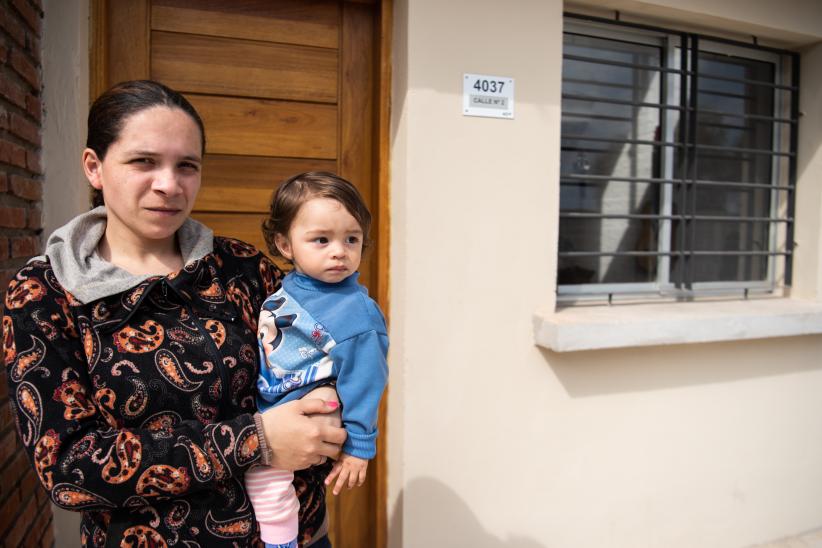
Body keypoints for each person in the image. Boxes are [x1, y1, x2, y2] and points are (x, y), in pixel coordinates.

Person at [1, 80, 346, 547]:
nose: (168, 184)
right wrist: (255, 439)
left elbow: (319, 358)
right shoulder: (45, 294)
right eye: (144, 161)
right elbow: (69, 467)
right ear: (94, 167)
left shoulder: (241, 268)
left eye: (187, 166)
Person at [244, 173, 388, 548]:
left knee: (266, 479)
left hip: (305, 408)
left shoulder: (356, 314)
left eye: (351, 239)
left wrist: (359, 446)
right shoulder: (292, 284)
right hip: (273, 398)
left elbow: (366, 380)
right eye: (321, 239)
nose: (339, 251)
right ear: (284, 244)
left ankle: (281, 543)